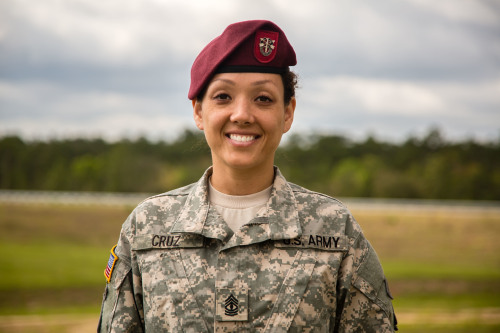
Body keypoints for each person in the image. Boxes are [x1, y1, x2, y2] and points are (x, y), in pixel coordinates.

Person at [98, 20, 397, 332]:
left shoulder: (336, 231)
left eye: (263, 99)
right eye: (223, 97)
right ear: (199, 111)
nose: (241, 114)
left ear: (287, 113)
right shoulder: (146, 227)